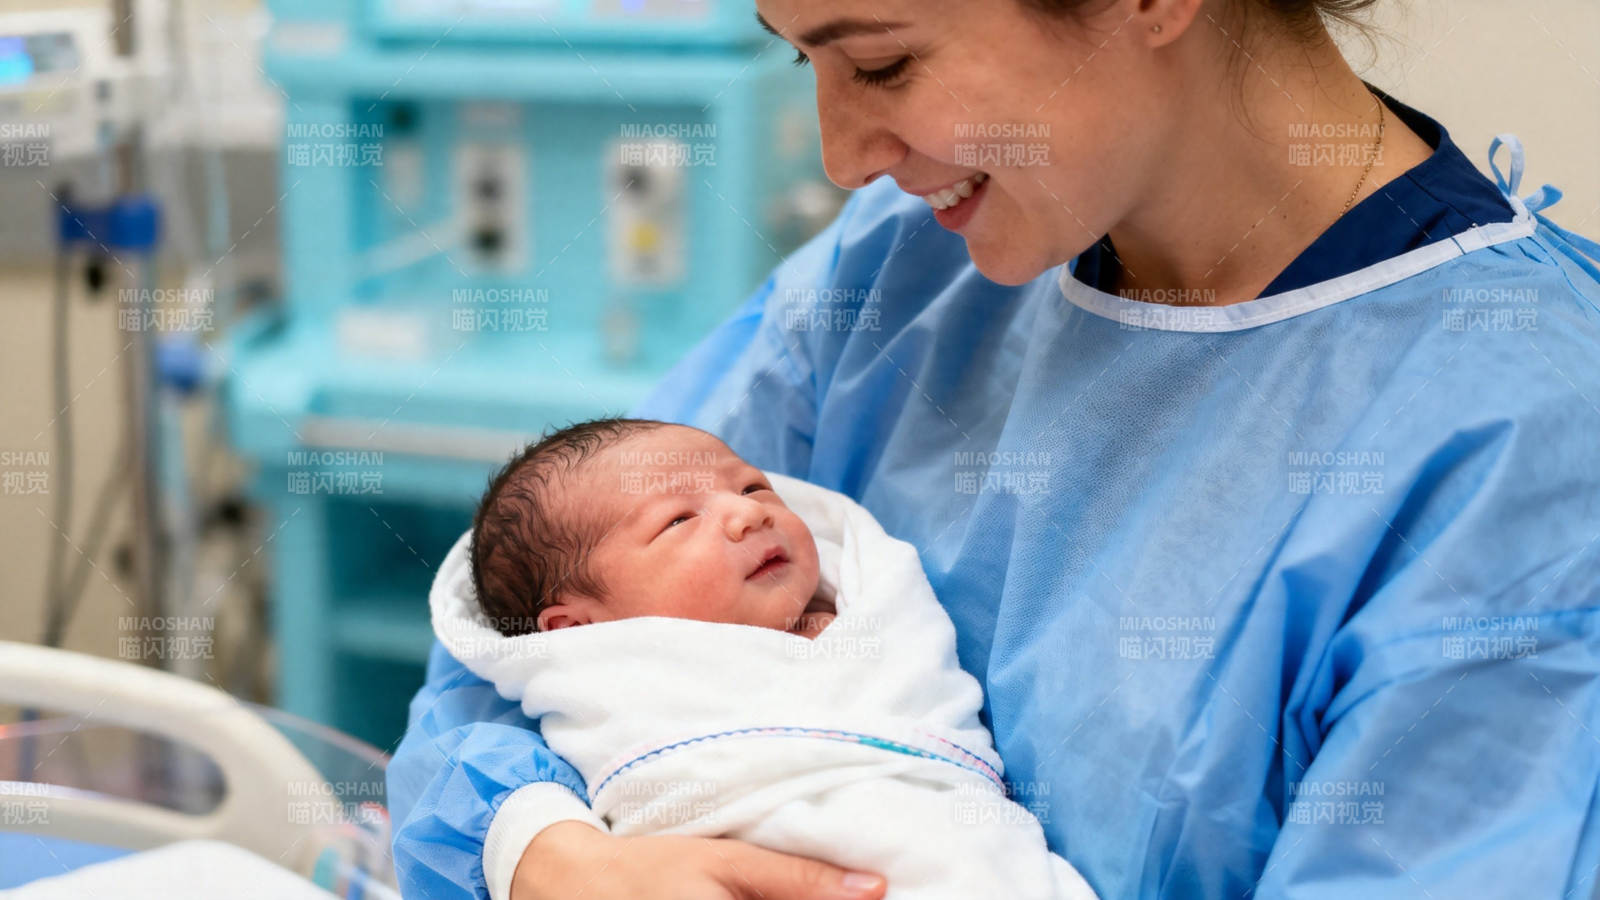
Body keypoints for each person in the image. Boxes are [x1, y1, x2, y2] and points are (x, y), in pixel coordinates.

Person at [387, 0, 1600, 897]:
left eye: (881, 62)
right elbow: (516, 633)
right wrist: (543, 850)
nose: (841, 154)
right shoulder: (896, 275)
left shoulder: (1519, 452)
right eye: (798, 56)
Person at [430, 418, 1098, 898]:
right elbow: (459, 765)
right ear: (578, 627)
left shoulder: (867, 603)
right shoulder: (608, 679)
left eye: (751, 487)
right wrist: (534, 843)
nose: (745, 515)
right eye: (677, 521)